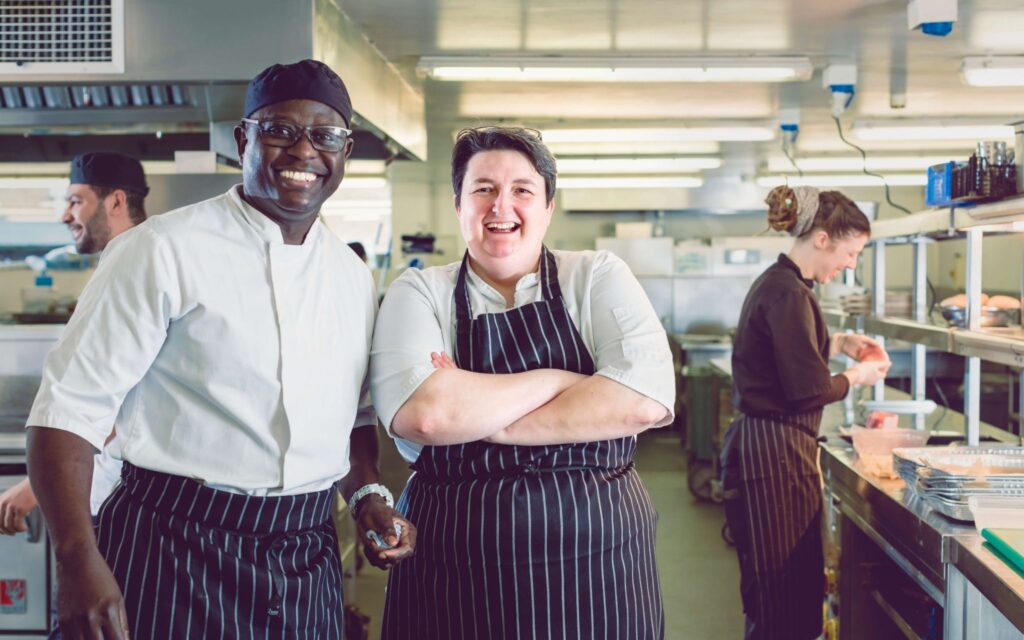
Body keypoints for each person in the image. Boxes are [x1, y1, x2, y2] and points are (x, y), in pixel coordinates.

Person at [26, 59, 414, 640]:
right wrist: (77, 559)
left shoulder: (350, 276)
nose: (303, 151)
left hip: (305, 551)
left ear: (345, 150)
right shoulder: (161, 249)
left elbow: (351, 419)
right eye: (280, 130)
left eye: (326, 135)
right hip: (173, 542)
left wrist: (367, 495)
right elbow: (67, 412)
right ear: (243, 140)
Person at [370, 126, 675, 639]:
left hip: (597, 569)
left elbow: (643, 400)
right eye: (483, 188)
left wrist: (484, 416)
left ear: (548, 206)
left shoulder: (596, 276)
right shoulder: (420, 290)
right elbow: (426, 415)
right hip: (455, 570)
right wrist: (562, 381)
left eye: (522, 190)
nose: (501, 207)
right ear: (458, 203)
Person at [720, 185, 891, 640]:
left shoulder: (783, 284)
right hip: (774, 454)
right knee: (785, 589)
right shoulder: (789, 292)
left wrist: (840, 344)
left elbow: (785, 355)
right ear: (822, 239)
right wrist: (862, 374)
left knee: (782, 585)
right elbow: (808, 389)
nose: (851, 263)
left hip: (769, 447)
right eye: (851, 251)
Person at [0, 151, 148, 540]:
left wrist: (38, 486)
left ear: (116, 201)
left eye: (76, 201)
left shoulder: (139, 270)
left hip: (131, 507)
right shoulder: (121, 264)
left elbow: (125, 400)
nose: (66, 215)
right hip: (110, 499)